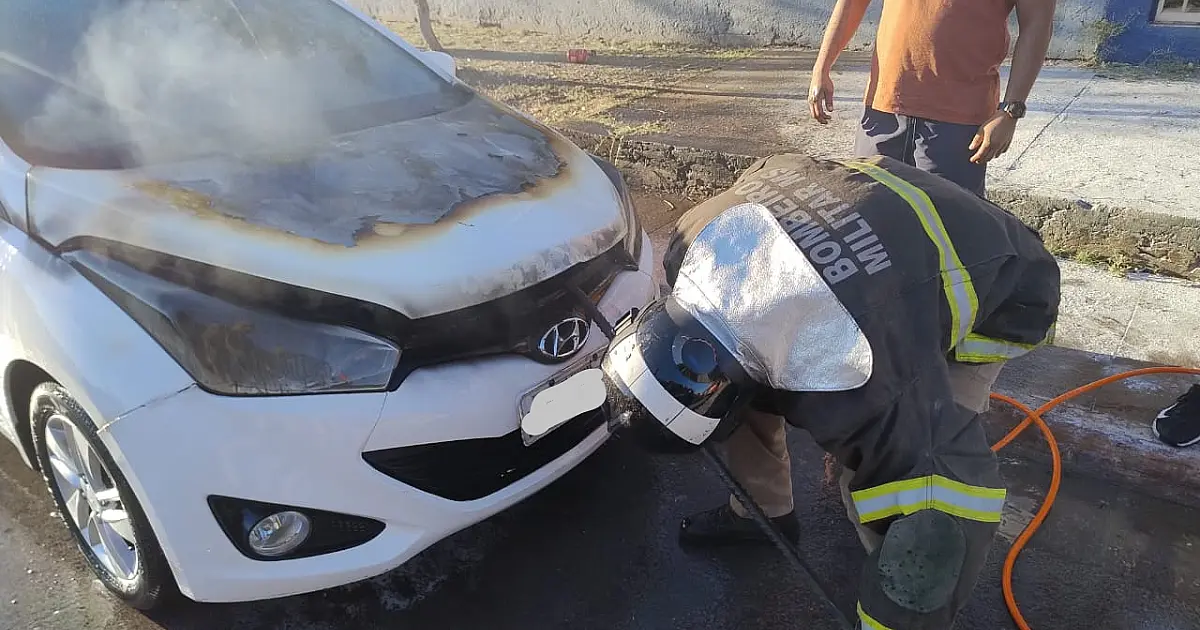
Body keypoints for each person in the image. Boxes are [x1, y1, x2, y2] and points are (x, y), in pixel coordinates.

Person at [602, 152, 1060, 629]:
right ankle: (763, 514)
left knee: (901, 485)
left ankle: (880, 569)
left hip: (1005, 283)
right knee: (738, 392)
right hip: (885, 211)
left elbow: (946, 512)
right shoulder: (692, 242)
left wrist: (893, 613)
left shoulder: (864, 384)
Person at [807, 0, 1057, 196]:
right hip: (883, 108)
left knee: (949, 234)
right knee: (871, 224)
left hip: (959, 124)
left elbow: (1037, 24)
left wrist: (1010, 110)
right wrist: (822, 66)